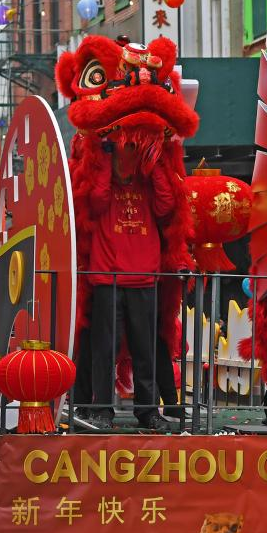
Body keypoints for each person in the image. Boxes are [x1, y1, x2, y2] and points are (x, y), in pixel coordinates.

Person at [84, 144, 174, 432]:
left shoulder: (148, 182)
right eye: (123, 148)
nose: (128, 154)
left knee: (145, 351)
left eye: (133, 148)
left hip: (143, 277)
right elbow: (96, 201)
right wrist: (106, 158)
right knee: (104, 351)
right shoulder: (103, 180)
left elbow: (166, 205)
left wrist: (155, 162)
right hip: (107, 278)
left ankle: (148, 411)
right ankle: (102, 410)